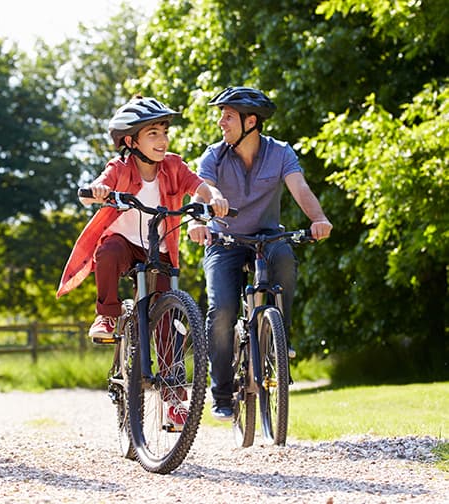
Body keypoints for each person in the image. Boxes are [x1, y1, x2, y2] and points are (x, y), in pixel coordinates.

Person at [56, 95, 229, 426]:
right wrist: (99, 191)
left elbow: (198, 185)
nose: (163, 140)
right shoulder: (120, 167)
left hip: (158, 247)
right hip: (124, 243)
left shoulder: (174, 166)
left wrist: (215, 198)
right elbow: (103, 181)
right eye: (153, 134)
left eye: (164, 132)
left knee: (168, 321)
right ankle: (106, 316)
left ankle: (173, 399)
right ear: (130, 140)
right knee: (106, 253)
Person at [187, 86, 333, 421]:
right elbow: (203, 192)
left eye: (228, 116)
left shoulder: (280, 152)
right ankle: (221, 392)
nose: (221, 122)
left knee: (284, 257)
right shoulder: (213, 155)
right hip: (224, 241)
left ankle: (280, 341)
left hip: (266, 238)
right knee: (222, 310)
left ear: (250, 121)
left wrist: (319, 220)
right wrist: (197, 221)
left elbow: (300, 188)